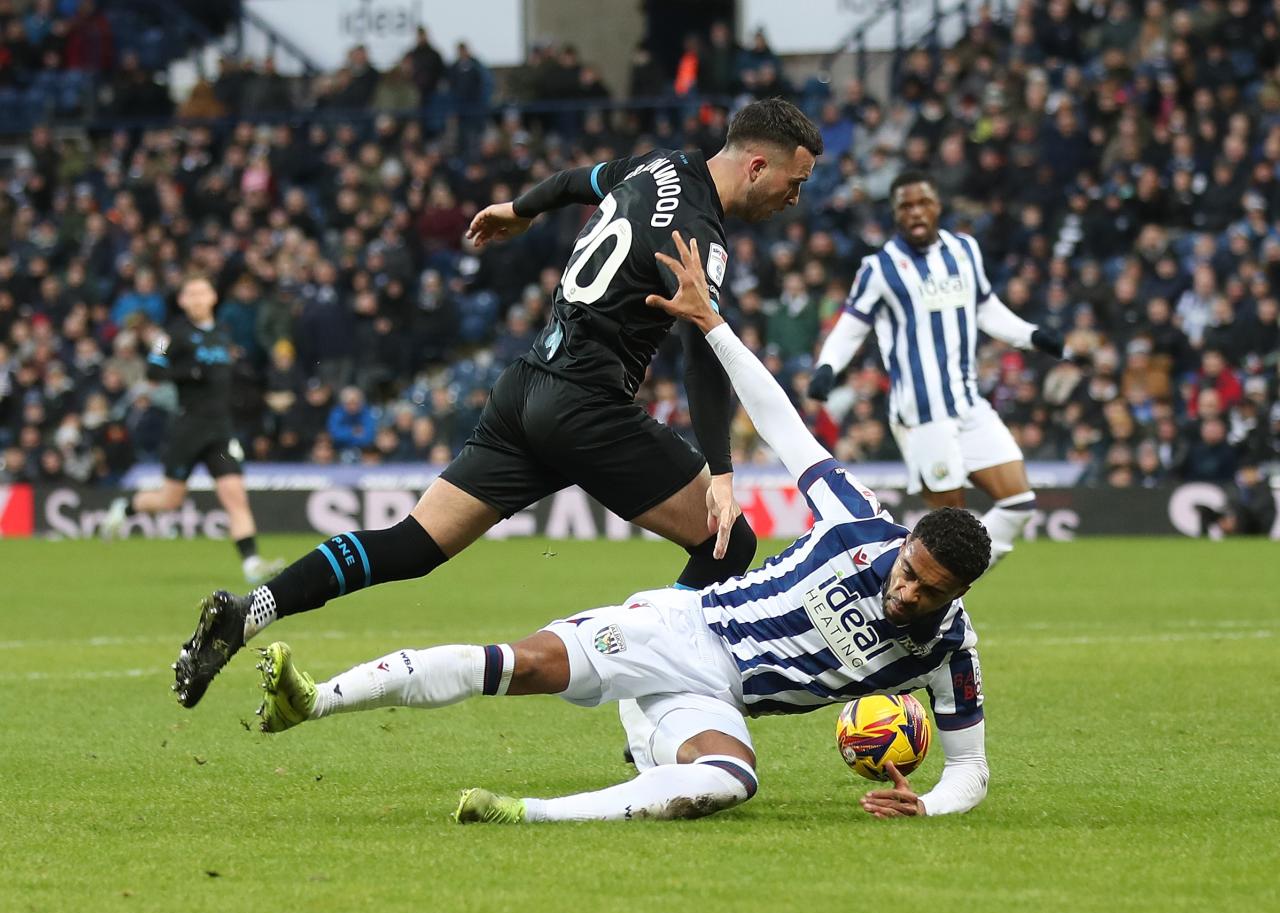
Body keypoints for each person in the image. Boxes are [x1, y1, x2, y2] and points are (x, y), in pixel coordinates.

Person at [253, 233, 991, 824]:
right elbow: (784, 424)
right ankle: (314, 700)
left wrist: (925, 804)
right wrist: (715, 325)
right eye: (908, 571)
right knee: (521, 667)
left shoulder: (951, 651)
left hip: (715, 703)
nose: (906, 592)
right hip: (679, 627)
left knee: (732, 782)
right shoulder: (858, 522)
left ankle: (526, 812)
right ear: (907, 544)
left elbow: (969, 771)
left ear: (956, 594)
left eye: (928, 593)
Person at [171, 99, 824, 708]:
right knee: (729, 540)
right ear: (757, 164)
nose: (794, 201)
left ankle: (249, 610)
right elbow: (703, 347)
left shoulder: (663, 166)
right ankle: (657, 696)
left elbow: (581, 178)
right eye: (793, 184)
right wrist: (723, 472)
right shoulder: (698, 232)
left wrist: (520, 206)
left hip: (527, 388)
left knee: (413, 544)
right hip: (586, 407)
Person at [808, 170, 1069, 566]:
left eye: (922, 203)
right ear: (895, 214)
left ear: (937, 207)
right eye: (905, 206)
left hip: (969, 404)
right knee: (950, 527)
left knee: (1019, 503)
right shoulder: (879, 268)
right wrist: (827, 366)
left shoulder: (965, 250)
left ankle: (943, 586)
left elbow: (985, 308)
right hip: (922, 413)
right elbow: (851, 325)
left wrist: (1030, 335)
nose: (915, 212)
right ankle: (930, 598)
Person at [101, 275, 283, 584]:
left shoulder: (224, 334)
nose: (197, 299)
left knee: (235, 495)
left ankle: (252, 563)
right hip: (188, 428)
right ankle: (125, 506)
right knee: (170, 500)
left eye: (202, 292)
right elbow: (153, 369)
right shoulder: (168, 335)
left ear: (213, 297)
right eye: (190, 294)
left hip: (221, 430)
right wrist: (188, 372)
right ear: (183, 301)